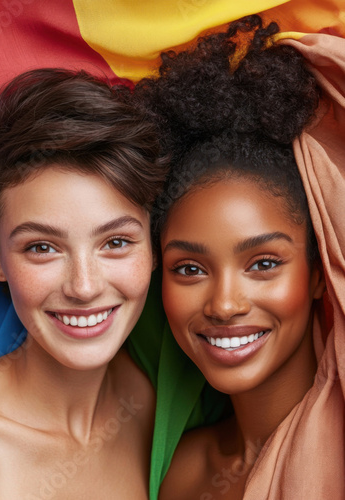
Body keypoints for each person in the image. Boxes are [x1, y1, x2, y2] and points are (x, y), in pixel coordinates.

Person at [134, 14, 345, 499]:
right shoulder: (180, 472)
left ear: (317, 273)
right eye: (189, 269)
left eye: (264, 264)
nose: (224, 304)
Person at [0, 68, 167, 499]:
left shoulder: (155, 406)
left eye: (115, 242)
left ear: (154, 246)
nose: (84, 286)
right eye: (42, 248)